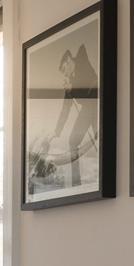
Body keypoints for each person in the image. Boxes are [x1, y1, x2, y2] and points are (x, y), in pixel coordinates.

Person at [50, 44, 98, 186]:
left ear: (69, 60)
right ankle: (76, 183)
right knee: (72, 141)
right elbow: (66, 109)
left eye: (65, 69)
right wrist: (57, 131)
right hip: (87, 108)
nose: (65, 74)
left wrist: (73, 86)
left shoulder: (81, 58)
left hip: (98, 102)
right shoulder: (70, 83)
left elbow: (87, 82)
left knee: (99, 137)